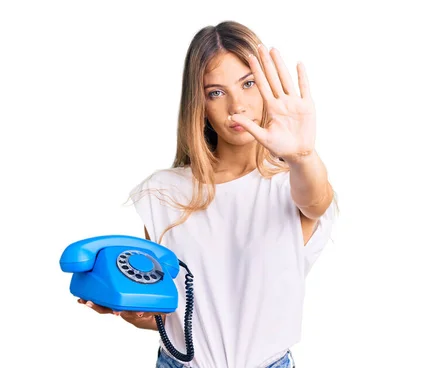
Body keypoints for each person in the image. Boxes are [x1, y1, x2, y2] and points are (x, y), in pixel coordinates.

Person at [78, 20, 338, 368]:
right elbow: (164, 315)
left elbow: (316, 200)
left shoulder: (290, 182)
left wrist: (302, 155)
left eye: (248, 84)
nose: (237, 106)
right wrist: (129, 306)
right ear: (199, 104)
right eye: (217, 92)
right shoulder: (163, 192)